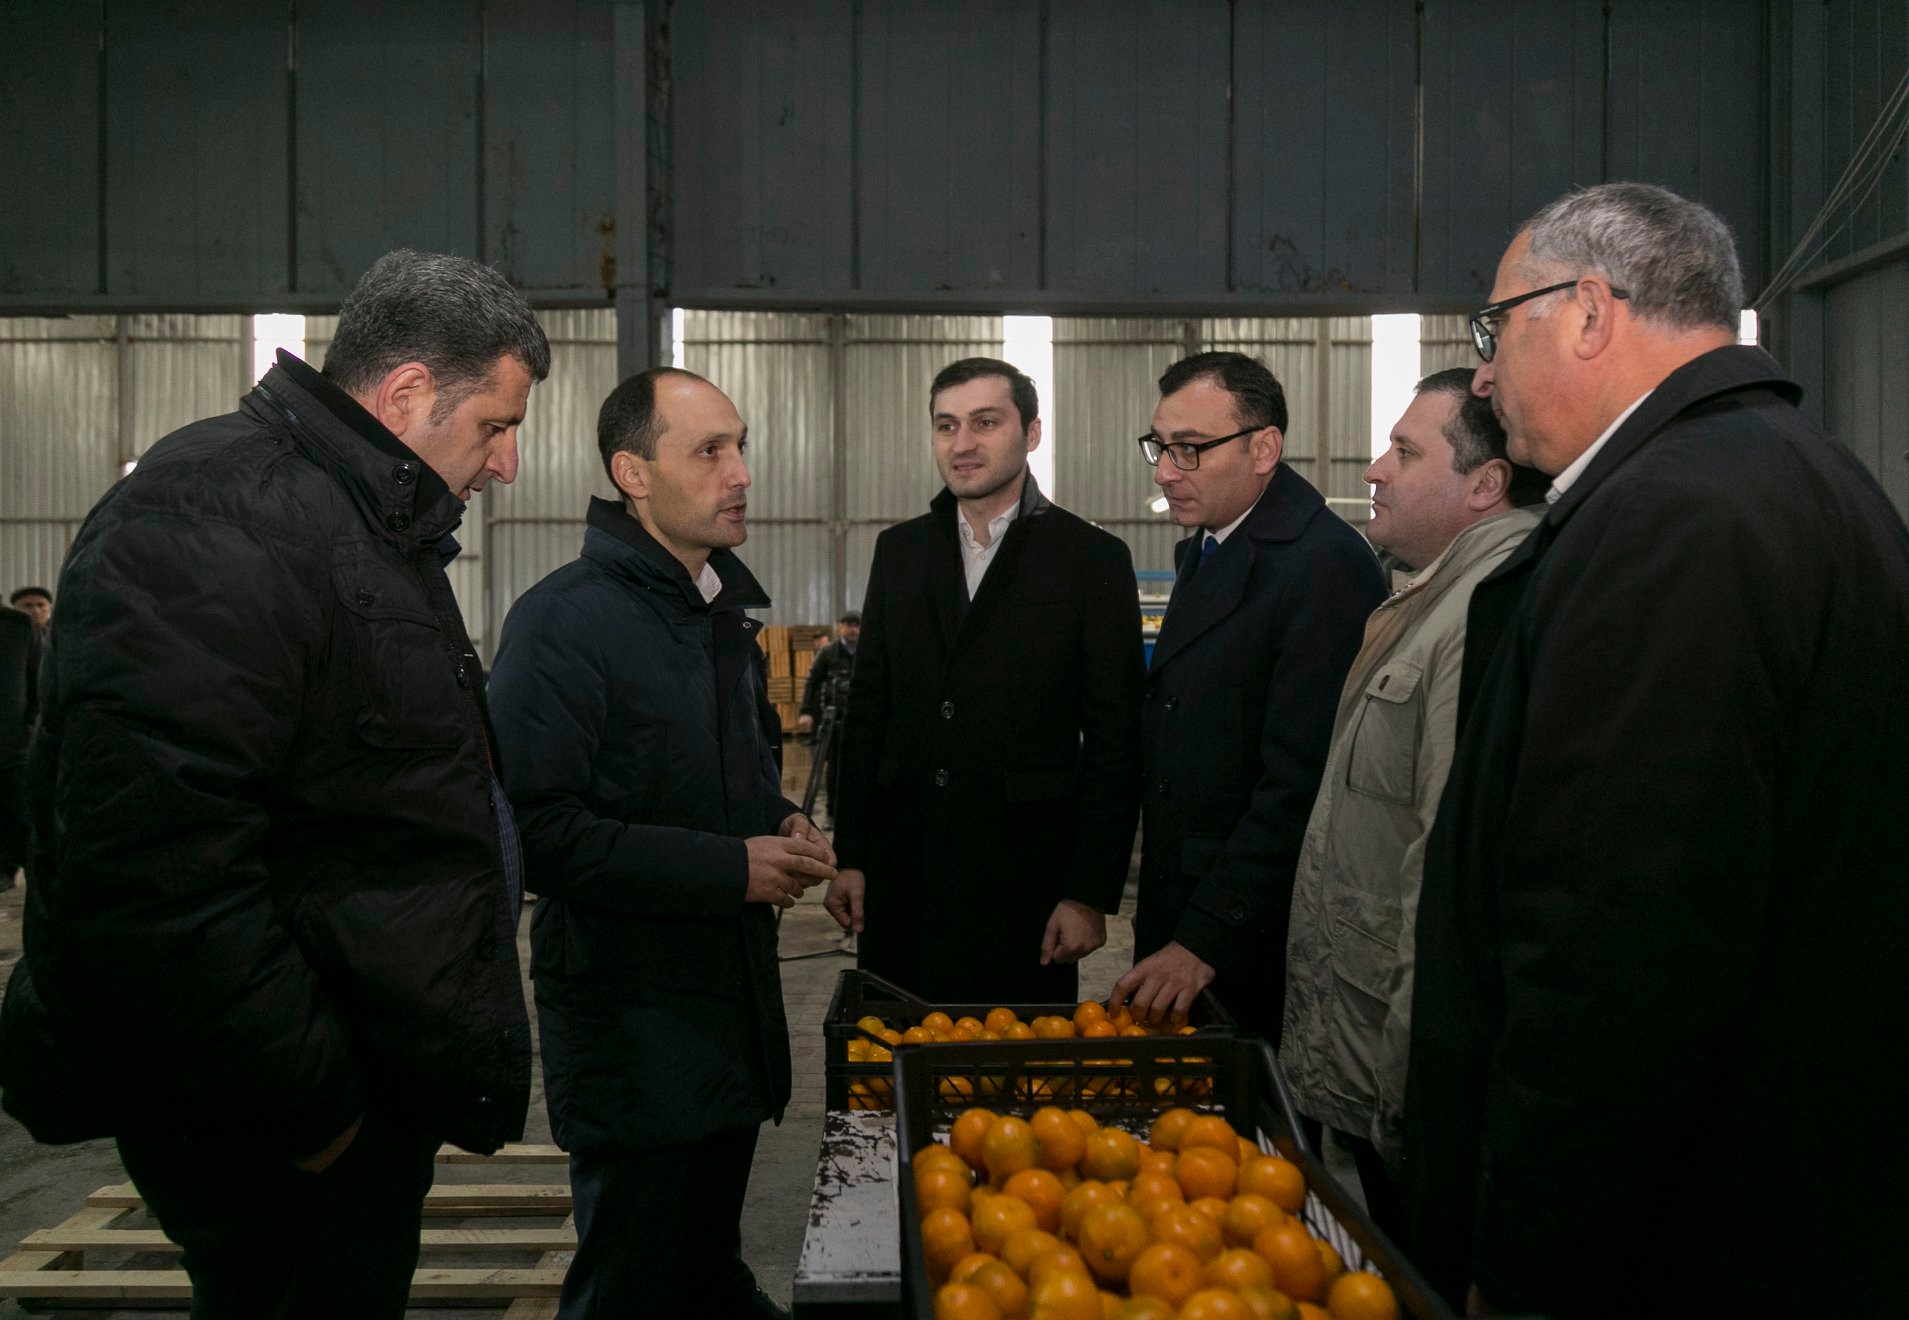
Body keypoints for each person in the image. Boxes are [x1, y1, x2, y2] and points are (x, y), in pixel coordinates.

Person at [0, 250, 547, 1318]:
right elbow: (152, 874)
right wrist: (319, 1112)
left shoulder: (348, 516)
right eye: (495, 425)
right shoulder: (212, 517)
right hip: (272, 1115)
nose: (508, 463)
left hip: (335, 1080)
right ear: (406, 394)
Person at [1403, 182, 1909, 1317]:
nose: (1481, 375)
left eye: (1496, 327)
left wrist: (1530, 1263)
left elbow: (1613, 960)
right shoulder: (1796, 474)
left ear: (1589, 312)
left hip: (1678, 1240)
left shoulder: (1669, 523)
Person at [488, 366, 831, 1320]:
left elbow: (721, 780)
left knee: (701, 1268)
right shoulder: (565, 621)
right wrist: (731, 868)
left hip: (726, 1016)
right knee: (633, 1286)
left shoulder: (714, 618)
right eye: (709, 451)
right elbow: (535, 832)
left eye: (740, 447)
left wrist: (776, 820)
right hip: (633, 1028)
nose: (740, 473)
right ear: (632, 473)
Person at [1278, 369, 1545, 1242]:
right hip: (1364, 1039)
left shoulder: (1480, 613)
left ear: (1485, 483)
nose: (1373, 470)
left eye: (1404, 451)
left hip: (1396, 1062)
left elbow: (1445, 869)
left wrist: (1404, 1092)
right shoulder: (1431, 600)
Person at [828, 358, 1144, 1004]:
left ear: (1031, 433)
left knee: (1013, 1061)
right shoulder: (900, 552)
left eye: (985, 423)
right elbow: (868, 715)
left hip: (1024, 882)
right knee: (891, 1055)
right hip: (902, 873)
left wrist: (1088, 894)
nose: (962, 443)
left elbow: (1116, 741)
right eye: (946, 425)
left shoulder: (1091, 560)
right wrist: (850, 855)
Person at [1112, 352, 1386, 1039]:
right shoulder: (1209, 547)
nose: (1163, 471)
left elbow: (1300, 783)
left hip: (1247, 939)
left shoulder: (1323, 565)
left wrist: (1205, 937)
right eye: (1159, 447)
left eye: (1188, 449)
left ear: (1263, 449)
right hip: (1187, 904)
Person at [796, 610, 860, 823]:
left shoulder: (866, 652)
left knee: (858, 768)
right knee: (834, 768)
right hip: (834, 722)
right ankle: (832, 813)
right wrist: (806, 711)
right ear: (841, 627)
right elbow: (812, 682)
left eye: (857, 625)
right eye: (849, 625)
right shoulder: (829, 653)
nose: (853, 629)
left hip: (859, 722)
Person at [0, 604, 34, 888]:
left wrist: (28, 731)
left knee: (27, 822)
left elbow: (39, 685)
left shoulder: (18, 626)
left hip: (12, 748)